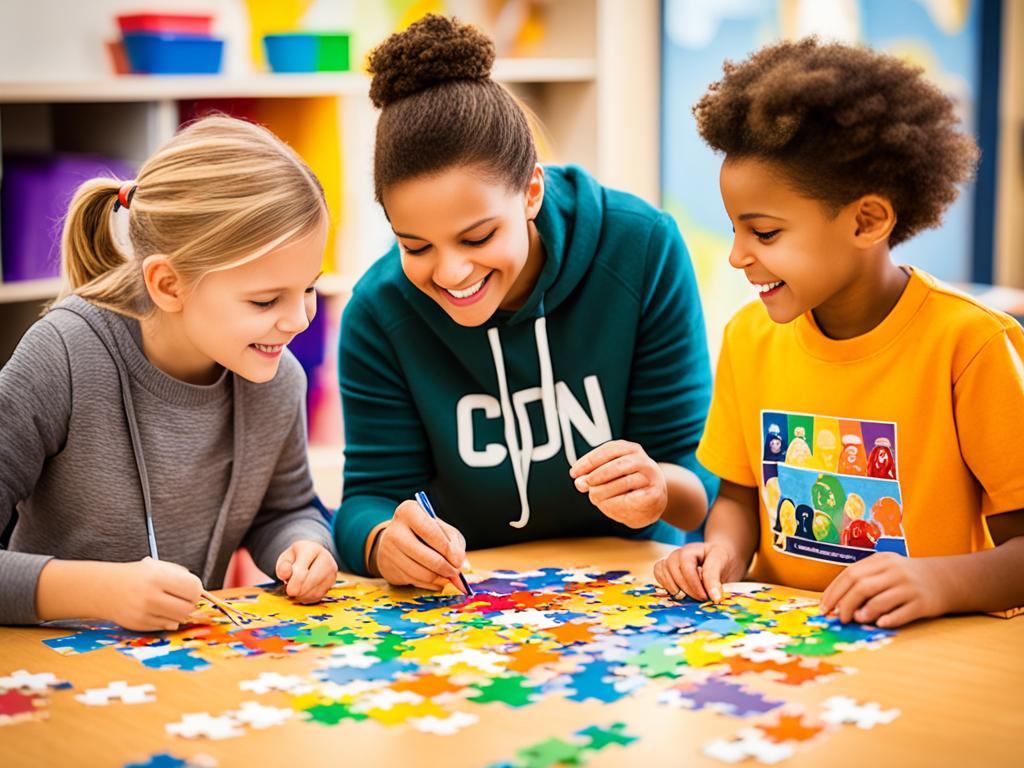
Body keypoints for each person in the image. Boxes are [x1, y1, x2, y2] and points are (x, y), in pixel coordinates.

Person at [334, 15, 717, 590]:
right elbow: (367, 498)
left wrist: (659, 488)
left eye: (478, 236)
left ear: (531, 191)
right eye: (415, 245)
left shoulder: (641, 249)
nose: (451, 272)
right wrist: (384, 541)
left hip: (633, 595)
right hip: (466, 607)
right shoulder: (378, 310)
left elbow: (703, 485)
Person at [654, 38, 1024, 627]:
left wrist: (939, 582)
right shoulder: (750, 336)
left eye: (765, 234)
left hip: (933, 654)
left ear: (867, 220)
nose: (736, 257)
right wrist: (721, 553)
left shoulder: (969, 344)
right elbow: (738, 498)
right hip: (786, 648)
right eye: (734, 230)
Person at [0, 115, 338, 630]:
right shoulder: (62, 358)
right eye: (267, 299)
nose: (298, 320)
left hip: (187, 674)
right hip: (50, 676)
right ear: (168, 284)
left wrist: (304, 545)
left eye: (309, 288)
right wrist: (98, 592)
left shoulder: (277, 377)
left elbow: (284, 509)